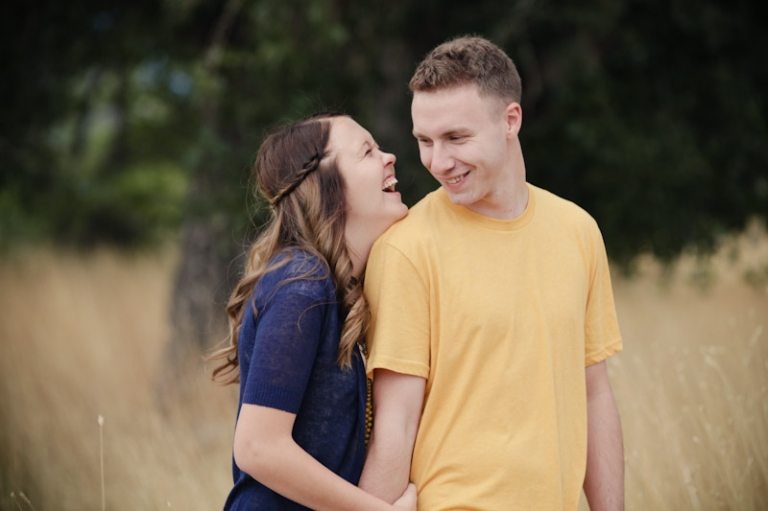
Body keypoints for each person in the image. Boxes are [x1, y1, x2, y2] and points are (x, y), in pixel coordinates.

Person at [358, 36, 625, 510]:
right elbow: (395, 424)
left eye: (456, 138)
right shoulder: (406, 249)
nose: (438, 162)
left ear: (510, 120)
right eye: (424, 141)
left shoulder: (578, 231)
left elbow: (593, 394)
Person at [209, 112, 416, 511]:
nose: (389, 157)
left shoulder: (332, 289)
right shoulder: (302, 283)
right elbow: (257, 446)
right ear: (323, 184)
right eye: (367, 151)